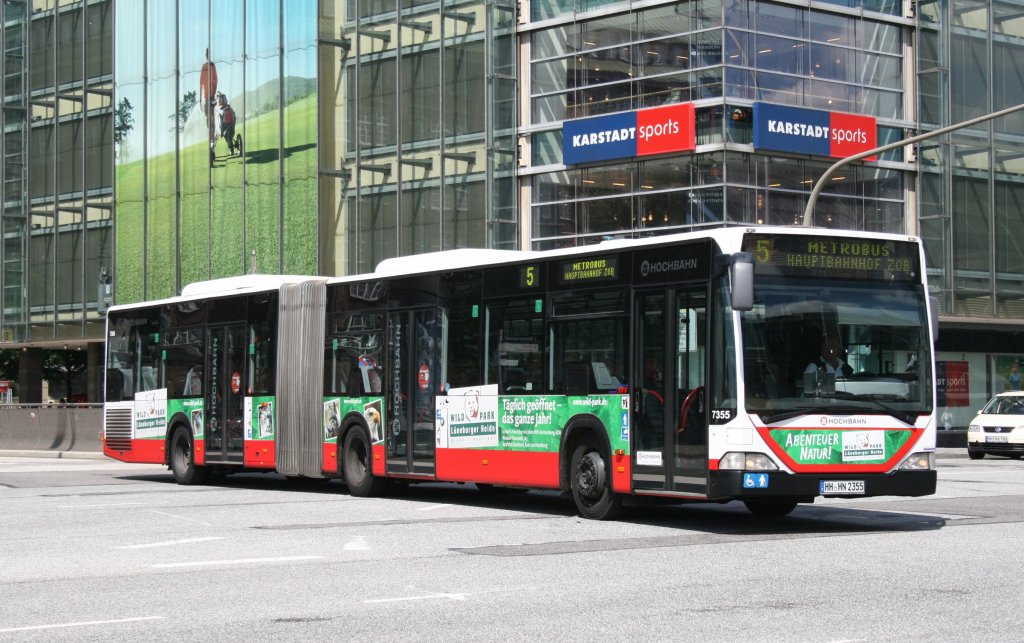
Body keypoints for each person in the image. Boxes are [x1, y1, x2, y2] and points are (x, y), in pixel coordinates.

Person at [199, 48, 218, 159]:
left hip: (210, 98)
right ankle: (211, 145)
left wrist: (213, 95)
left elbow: (215, 80)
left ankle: (212, 143)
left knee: (211, 123)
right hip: (207, 98)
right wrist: (200, 100)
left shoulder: (211, 66)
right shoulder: (206, 67)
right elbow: (201, 83)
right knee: (210, 124)